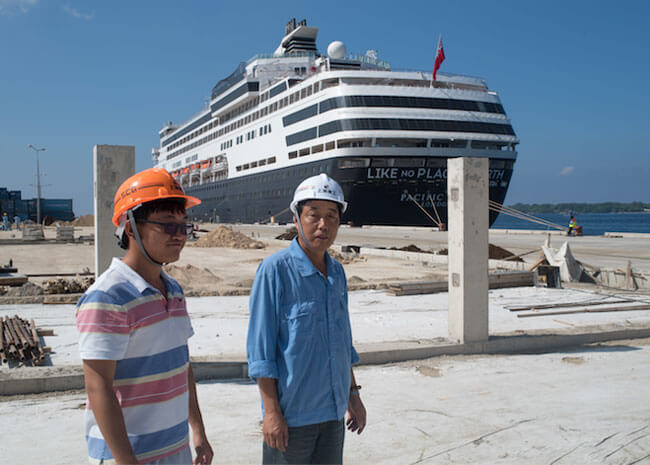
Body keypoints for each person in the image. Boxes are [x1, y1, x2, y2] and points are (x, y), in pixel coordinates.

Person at [75, 168, 213, 465]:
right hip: (129, 457)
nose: (179, 235)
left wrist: (198, 431)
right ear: (130, 228)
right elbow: (99, 388)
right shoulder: (107, 297)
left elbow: (182, 366)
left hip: (175, 450)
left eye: (183, 225)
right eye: (167, 225)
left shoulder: (173, 290)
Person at [247, 173, 366, 465]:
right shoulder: (274, 271)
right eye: (314, 215)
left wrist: (353, 395)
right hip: (292, 418)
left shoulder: (337, 273)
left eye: (332, 216)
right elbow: (261, 352)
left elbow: (342, 342)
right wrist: (272, 413)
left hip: (333, 414)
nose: (324, 225)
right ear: (297, 217)